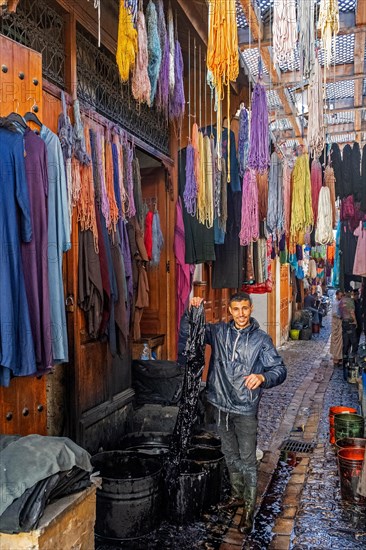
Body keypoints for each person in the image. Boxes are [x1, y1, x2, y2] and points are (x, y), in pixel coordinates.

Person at [187, 292, 287, 534]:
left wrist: (263, 376)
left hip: (245, 408)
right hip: (221, 405)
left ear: (250, 308)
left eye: (244, 308)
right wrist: (194, 310)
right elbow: (195, 331)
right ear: (229, 311)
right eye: (236, 309)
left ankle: (249, 512)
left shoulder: (261, 340)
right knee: (229, 454)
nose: (241, 314)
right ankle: (236, 496)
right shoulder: (219, 333)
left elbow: (279, 369)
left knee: (248, 460)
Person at [340, 291, 358, 357]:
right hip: (350, 323)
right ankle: (353, 355)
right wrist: (355, 322)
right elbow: (352, 312)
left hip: (344, 322)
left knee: (346, 339)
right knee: (354, 340)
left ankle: (344, 355)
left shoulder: (342, 300)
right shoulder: (350, 301)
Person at [330, 290, 343, 366]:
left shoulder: (339, 302)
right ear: (337, 295)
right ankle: (336, 358)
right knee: (336, 340)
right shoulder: (335, 303)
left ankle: (339, 357)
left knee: (339, 341)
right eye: (340, 296)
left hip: (338, 322)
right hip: (336, 323)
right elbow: (334, 313)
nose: (341, 297)